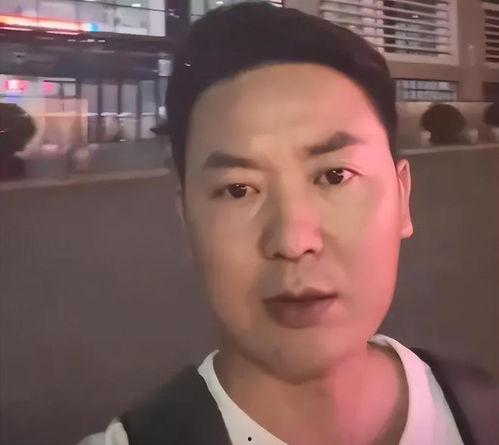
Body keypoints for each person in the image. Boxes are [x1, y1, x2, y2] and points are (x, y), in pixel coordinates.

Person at [80, 3, 497, 445]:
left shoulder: (482, 416)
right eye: (238, 189)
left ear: (402, 198)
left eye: (334, 176)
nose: (294, 241)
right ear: (188, 221)